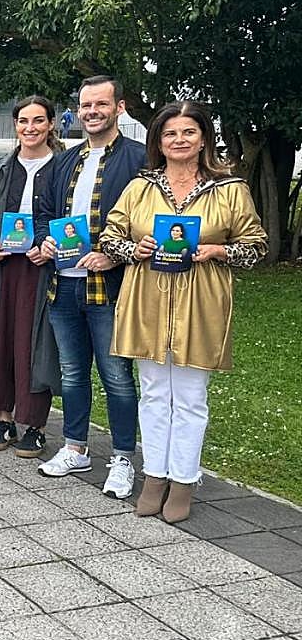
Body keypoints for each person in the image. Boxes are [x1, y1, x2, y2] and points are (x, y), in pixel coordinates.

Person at [99, 101, 266, 522]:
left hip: (201, 301)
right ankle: (155, 475)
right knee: (154, 393)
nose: (179, 140)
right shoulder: (141, 187)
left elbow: (256, 246)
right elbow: (110, 237)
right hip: (148, 298)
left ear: (203, 138)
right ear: (158, 141)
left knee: (190, 397)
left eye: (188, 132)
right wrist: (133, 248)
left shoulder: (229, 189)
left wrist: (219, 251)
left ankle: (184, 480)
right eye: (170, 133)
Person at [33, 75, 145, 498]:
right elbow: (44, 213)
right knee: (73, 373)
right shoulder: (65, 160)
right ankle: (75, 447)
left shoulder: (139, 159)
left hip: (110, 289)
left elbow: (148, 221)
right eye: (86, 105)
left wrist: (116, 255)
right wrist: (44, 240)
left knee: (117, 377)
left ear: (119, 107)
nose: (92, 112)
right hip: (63, 286)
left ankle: (122, 458)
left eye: (101, 104)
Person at [0, 96, 61, 457]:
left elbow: (72, 220)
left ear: (51, 124)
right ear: (15, 125)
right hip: (1, 266)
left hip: (42, 268)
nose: (30, 128)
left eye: (38, 120)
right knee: (0, 338)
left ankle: (35, 425)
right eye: (23, 121)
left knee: (34, 343)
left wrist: (50, 247)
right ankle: (3, 418)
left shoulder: (63, 168)